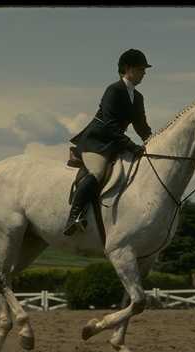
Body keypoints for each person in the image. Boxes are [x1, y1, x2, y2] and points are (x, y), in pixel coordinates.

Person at [63, 48, 153, 236]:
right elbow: (110, 125)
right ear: (128, 69)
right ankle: (73, 216)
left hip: (114, 142)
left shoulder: (138, 97)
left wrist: (153, 142)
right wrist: (131, 145)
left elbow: (141, 126)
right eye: (140, 69)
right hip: (96, 141)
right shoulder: (114, 90)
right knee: (97, 172)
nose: (144, 73)